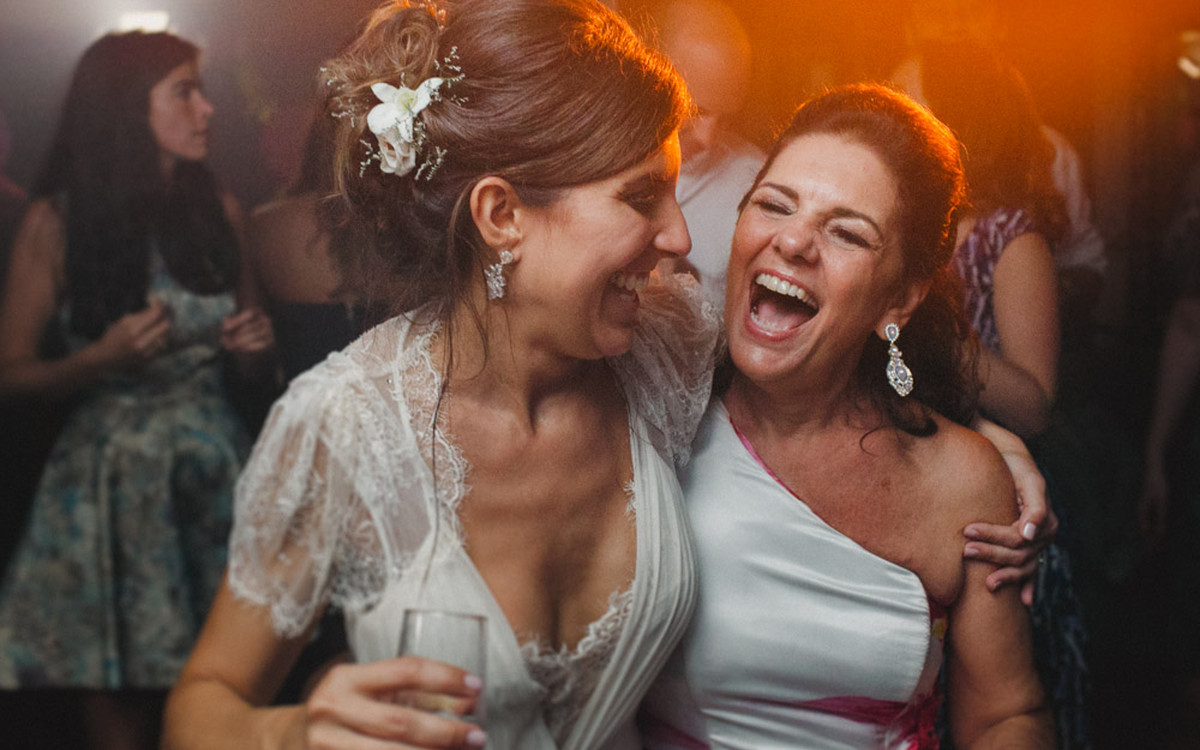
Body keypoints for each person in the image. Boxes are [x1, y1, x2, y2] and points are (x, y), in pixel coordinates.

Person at [162, 1, 714, 749]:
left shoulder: (668, 349)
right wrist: (293, 734)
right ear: (501, 215)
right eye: (641, 196)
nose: (680, 236)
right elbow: (200, 707)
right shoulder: (348, 424)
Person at [640, 84, 1053, 748]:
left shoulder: (962, 478)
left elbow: (1007, 714)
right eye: (774, 204)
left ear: (899, 300)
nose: (793, 240)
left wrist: (997, 453)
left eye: (847, 232)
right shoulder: (652, 401)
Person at [0, 31, 274, 750]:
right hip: (107, 481)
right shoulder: (57, 221)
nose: (207, 109)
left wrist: (255, 350)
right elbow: (10, 373)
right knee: (119, 693)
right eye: (184, 91)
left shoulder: (219, 207)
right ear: (127, 107)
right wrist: (99, 360)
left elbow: (256, 359)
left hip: (216, 468)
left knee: (226, 687)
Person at [896, 41, 1092, 750]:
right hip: (918, 483)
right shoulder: (901, 230)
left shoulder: (1013, 238)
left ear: (956, 121)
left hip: (1001, 505)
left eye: (909, 103)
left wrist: (931, 327)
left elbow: (1036, 402)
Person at [642, 0, 765, 308]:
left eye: (726, 118)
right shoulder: (590, 162)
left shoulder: (754, 183)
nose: (707, 138)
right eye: (696, 111)